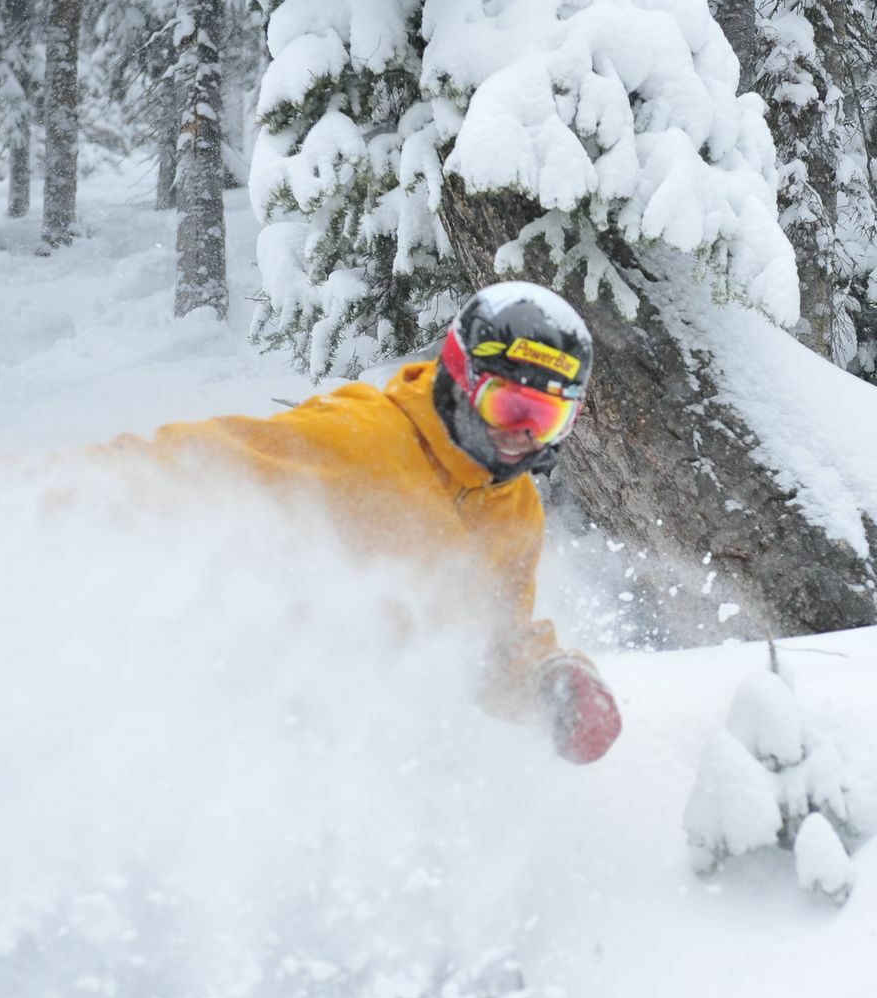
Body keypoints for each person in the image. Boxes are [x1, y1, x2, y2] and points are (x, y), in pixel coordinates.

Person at [101, 280, 622, 766]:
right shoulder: (361, 440)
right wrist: (41, 496)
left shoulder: (513, 509)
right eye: (509, 407)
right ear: (463, 377)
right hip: (239, 716)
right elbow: (186, 465)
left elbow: (491, 649)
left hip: (360, 751)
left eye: (547, 419)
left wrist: (550, 686)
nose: (523, 435)